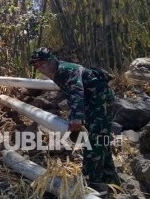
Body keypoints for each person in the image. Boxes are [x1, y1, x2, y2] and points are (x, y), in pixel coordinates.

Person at [29, 47, 121, 187]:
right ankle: (110, 178)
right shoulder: (58, 72)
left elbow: (76, 90)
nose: (40, 67)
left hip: (100, 101)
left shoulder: (65, 69)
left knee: (93, 141)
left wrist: (76, 117)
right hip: (95, 102)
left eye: (42, 63)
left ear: (52, 59)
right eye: (36, 65)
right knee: (101, 140)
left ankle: (92, 183)